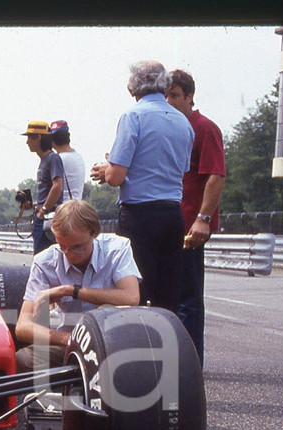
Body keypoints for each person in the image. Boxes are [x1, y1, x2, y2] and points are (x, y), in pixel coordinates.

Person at [90, 60, 193, 313]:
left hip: (139, 215)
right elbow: (181, 169)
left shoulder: (133, 116)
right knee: (166, 296)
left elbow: (116, 177)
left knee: (134, 292)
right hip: (172, 215)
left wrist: (107, 169)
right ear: (165, 85)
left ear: (132, 87)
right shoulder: (183, 123)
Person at [15, 200, 141, 371]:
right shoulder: (44, 261)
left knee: (106, 308)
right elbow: (23, 327)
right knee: (23, 358)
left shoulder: (116, 248)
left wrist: (71, 290)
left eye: (78, 247)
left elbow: (131, 297)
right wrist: (68, 339)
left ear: (94, 233)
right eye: (63, 247)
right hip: (68, 343)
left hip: (113, 343)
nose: (70, 254)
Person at [167, 69, 225, 367]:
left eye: (175, 95)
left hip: (191, 225)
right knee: (168, 297)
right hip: (168, 223)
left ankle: (191, 367)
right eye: (165, 95)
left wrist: (203, 218)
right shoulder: (171, 128)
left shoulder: (204, 128)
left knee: (188, 300)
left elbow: (216, 176)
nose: (169, 101)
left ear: (189, 96)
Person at [21, 120, 65, 255]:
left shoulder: (53, 159)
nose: (27, 142)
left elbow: (58, 186)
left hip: (47, 218)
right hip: (42, 216)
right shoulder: (44, 160)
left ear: (38, 137)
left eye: (29, 137)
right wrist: (35, 205)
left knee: (42, 261)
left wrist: (43, 210)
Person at [49, 120, 85, 204]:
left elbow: (56, 189)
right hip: (76, 209)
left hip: (63, 210)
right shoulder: (78, 156)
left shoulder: (58, 159)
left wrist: (43, 209)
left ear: (52, 140)